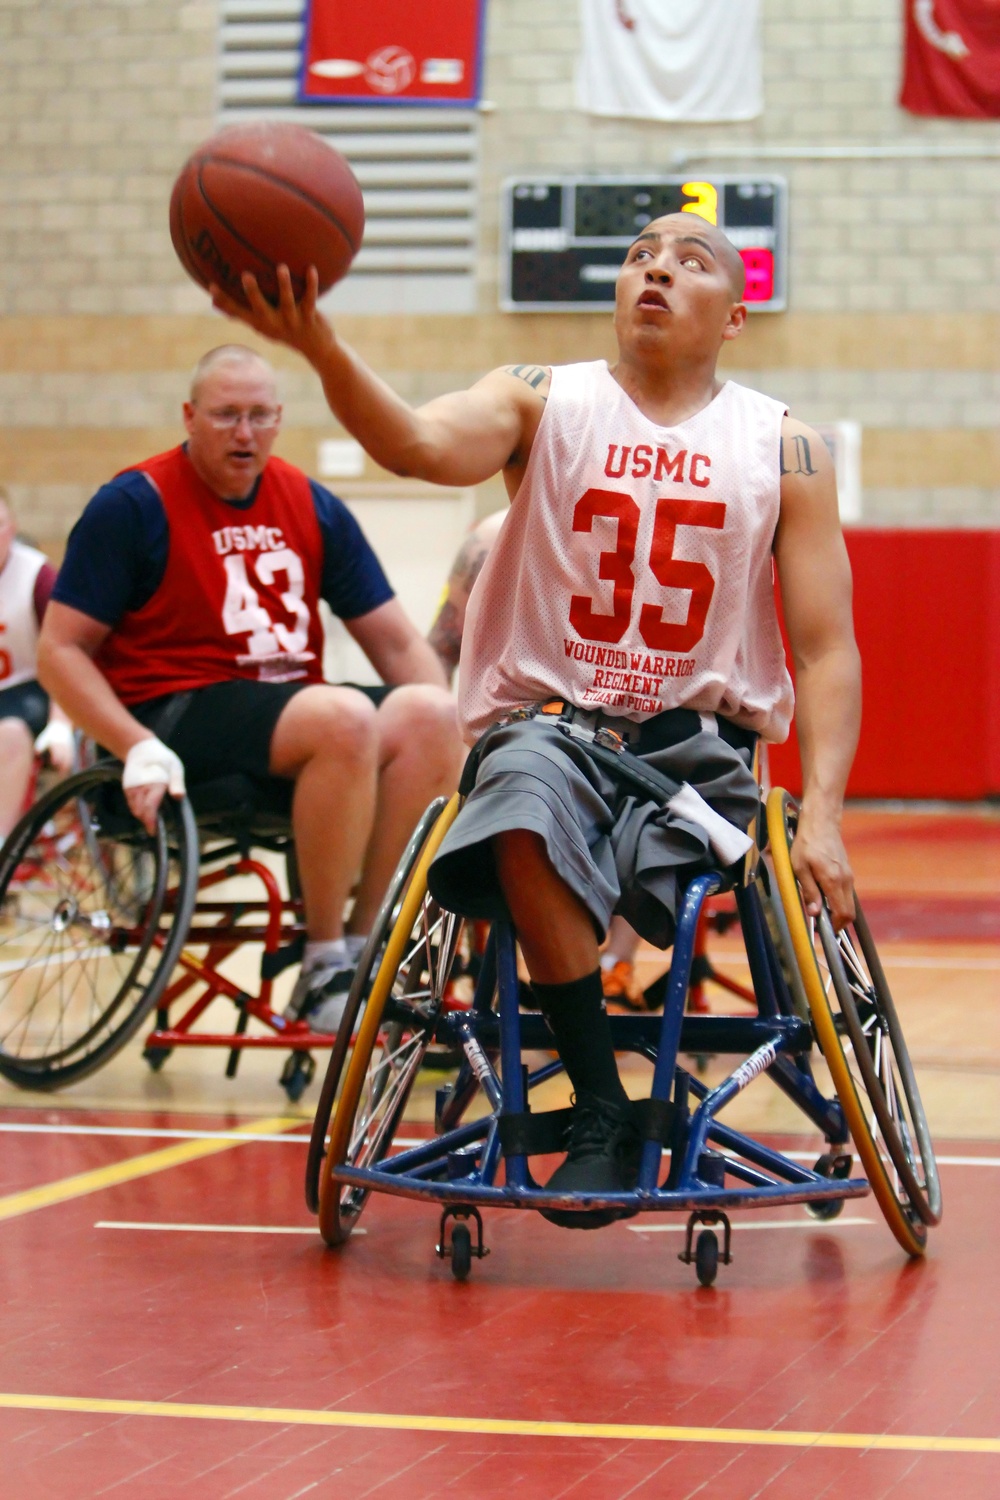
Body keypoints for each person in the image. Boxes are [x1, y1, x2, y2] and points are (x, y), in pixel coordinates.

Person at [212, 214, 860, 1218]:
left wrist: (822, 811)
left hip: (699, 751)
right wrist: (320, 346)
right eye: (641, 253)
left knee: (662, 862)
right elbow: (419, 445)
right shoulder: (542, 397)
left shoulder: (786, 447)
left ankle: (613, 1057)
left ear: (734, 316)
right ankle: (602, 1104)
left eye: (689, 262)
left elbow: (823, 650)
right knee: (516, 799)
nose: (655, 268)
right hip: (552, 730)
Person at [37, 345, 462, 1031]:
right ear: (189, 417)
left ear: (280, 419)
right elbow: (59, 650)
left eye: (260, 416)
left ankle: (363, 945)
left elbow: (396, 643)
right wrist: (132, 744)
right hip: (174, 709)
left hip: (288, 715)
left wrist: (460, 741)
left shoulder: (310, 502)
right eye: (227, 415)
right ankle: (320, 963)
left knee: (433, 712)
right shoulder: (132, 505)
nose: (244, 433)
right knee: (344, 715)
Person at [429, 507, 649, 1009]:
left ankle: (610, 964)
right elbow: (441, 652)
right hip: (528, 736)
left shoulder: (643, 520)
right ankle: (446, 960)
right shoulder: (490, 535)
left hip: (590, 740)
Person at [0, 490, 74, 839]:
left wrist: (62, 726)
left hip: (33, 689)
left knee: (10, 733)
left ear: (12, 526)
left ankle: (1, 841)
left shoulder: (38, 577)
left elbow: (68, 653)